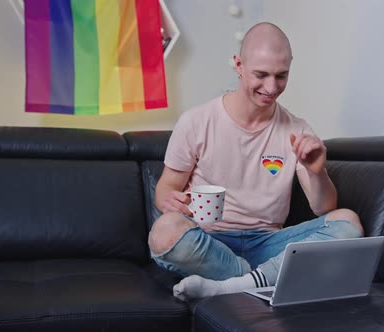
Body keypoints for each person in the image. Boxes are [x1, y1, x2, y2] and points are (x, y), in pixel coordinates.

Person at [149, 22, 364, 302]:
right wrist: (169, 201)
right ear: (238, 65)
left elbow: (324, 208)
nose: (271, 87)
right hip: (210, 241)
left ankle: (233, 285)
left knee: (349, 223)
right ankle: (260, 279)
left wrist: (317, 171)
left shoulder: (297, 130)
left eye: (281, 76)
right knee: (164, 232)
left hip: (268, 243)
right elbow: (165, 189)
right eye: (261, 75)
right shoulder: (196, 122)